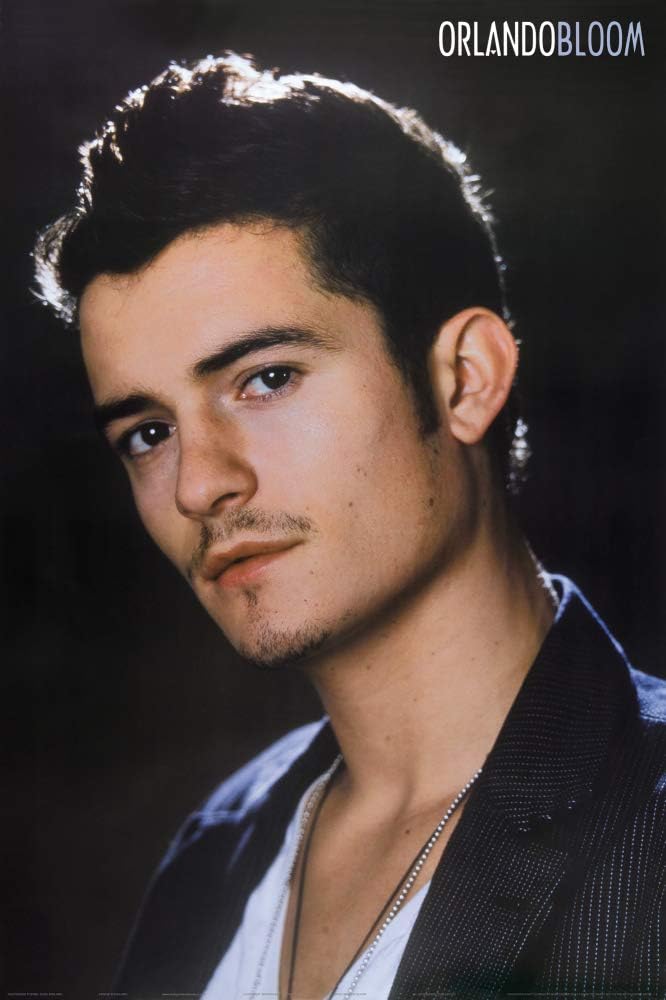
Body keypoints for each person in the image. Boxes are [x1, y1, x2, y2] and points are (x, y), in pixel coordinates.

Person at [34, 53, 665, 998]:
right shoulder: (215, 851)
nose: (199, 484)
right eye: (148, 432)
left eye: (267, 379)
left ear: (466, 379)